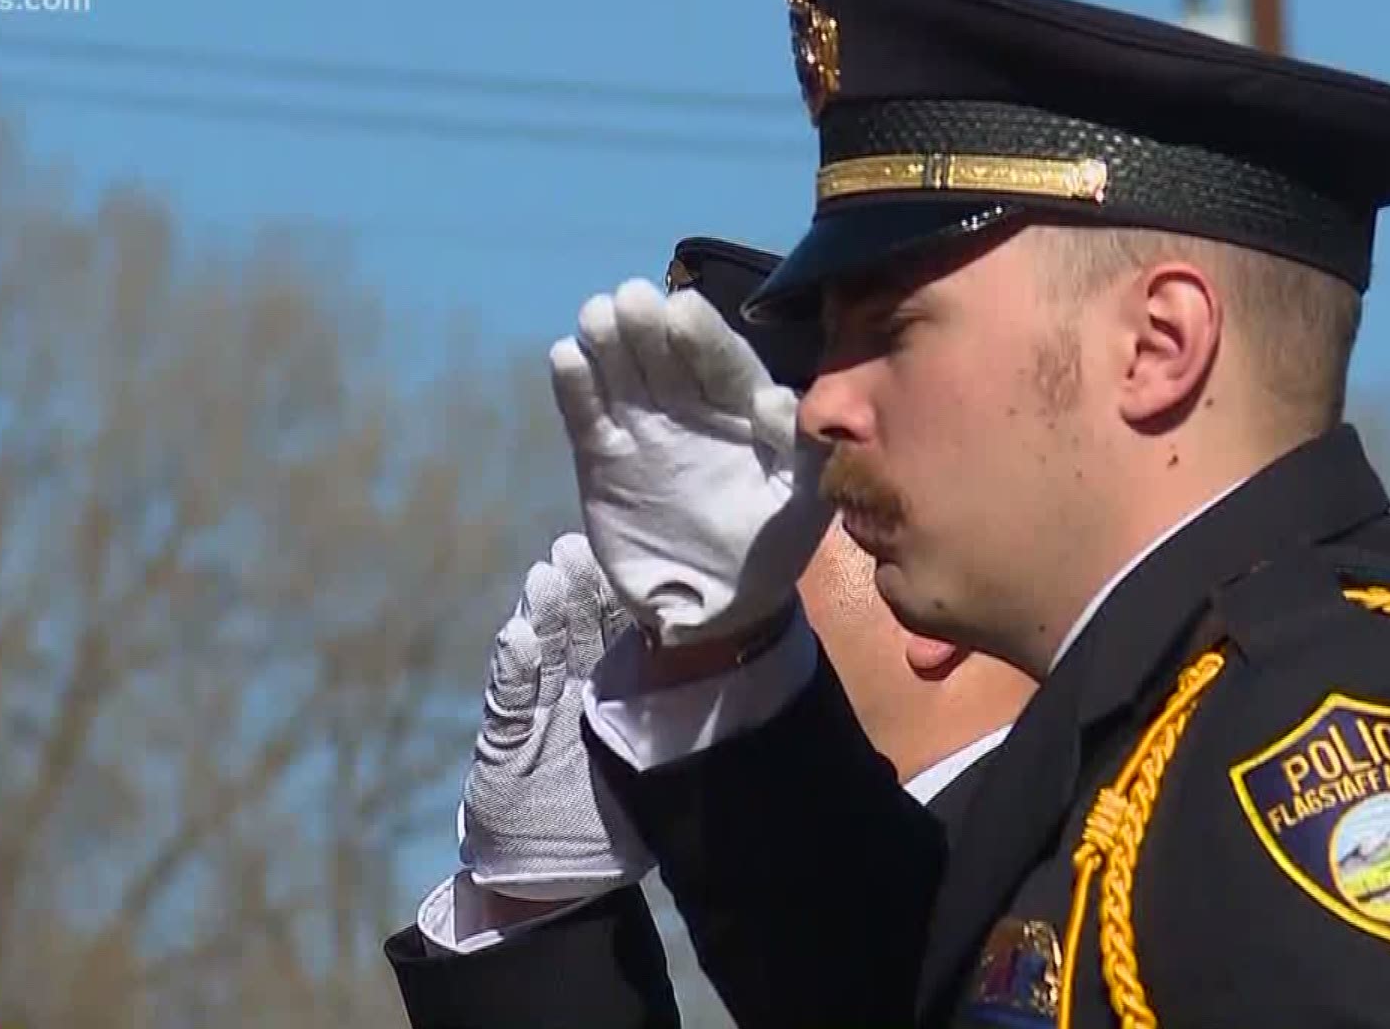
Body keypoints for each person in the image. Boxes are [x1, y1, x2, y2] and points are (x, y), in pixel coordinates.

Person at [549, 0, 1390, 1027]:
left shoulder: (1319, 732)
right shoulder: (1162, 732)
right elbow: (888, 988)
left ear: (1158, 345)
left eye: (889, 328)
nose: (819, 406)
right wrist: (729, 654)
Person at [383, 236, 1034, 1029]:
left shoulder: (1067, 878)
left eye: (764, 497)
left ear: (926, 563)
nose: (666, 570)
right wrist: (533, 901)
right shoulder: (832, 914)